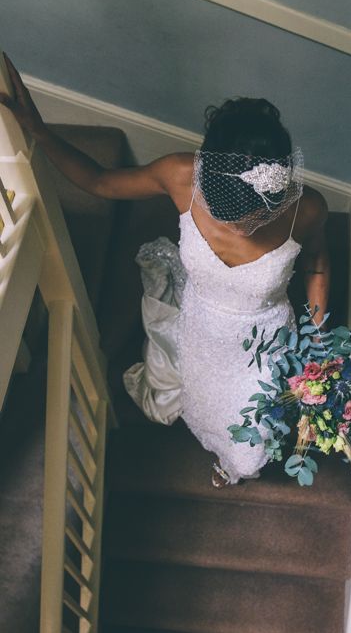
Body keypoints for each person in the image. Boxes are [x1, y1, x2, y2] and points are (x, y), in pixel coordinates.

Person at [0, 53, 330, 487]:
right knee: (206, 403)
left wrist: (316, 342)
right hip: (201, 329)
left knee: (254, 441)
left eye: (250, 214)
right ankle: (215, 441)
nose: (235, 225)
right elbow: (100, 181)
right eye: (223, 209)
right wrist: (40, 132)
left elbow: (318, 265)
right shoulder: (178, 175)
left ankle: (238, 463)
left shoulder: (306, 209)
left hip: (265, 340)